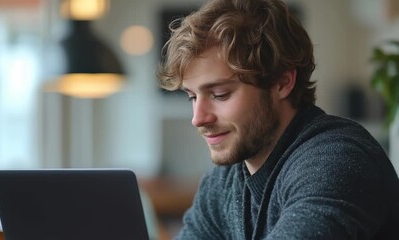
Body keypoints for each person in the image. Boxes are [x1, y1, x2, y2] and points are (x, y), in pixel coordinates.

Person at [157, 0, 399, 239]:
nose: (198, 118)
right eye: (192, 97)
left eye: (220, 94)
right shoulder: (223, 184)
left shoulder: (336, 161)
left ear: (282, 82)